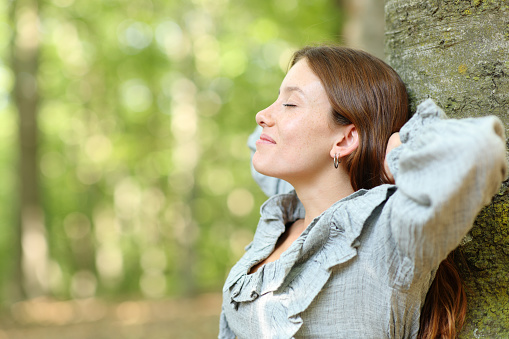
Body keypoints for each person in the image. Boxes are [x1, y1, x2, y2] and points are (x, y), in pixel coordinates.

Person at [219, 45, 507, 338]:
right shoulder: (286, 211)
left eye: (290, 104)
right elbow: (258, 141)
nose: (261, 115)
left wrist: (397, 153)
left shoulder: (387, 232)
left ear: (346, 139)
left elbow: (480, 149)